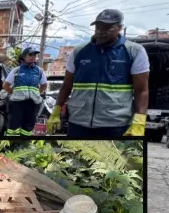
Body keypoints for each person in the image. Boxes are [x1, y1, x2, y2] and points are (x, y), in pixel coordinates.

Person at [47, 9, 149, 137]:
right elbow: (67, 85)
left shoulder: (134, 51)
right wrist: (56, 111)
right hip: (78, 122)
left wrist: (139, 121)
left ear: (120, 28)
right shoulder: (79, 51)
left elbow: (142, 90)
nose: (101, 31)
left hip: (116, 124)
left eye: (107, 28)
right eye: (98, 27)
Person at [3, 46, 48, 136]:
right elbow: (6, 85)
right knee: (13, 126)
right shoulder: (17, 70)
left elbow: (44, 85)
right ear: (24, 57)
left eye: (34, 55)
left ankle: (24, 144)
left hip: (32, 103)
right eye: (30, 54)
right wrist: (13, 93)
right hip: (17, 103)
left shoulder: (39, 71)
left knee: (28, 127)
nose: (33, 57)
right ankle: (11, 145)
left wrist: (36, 94)